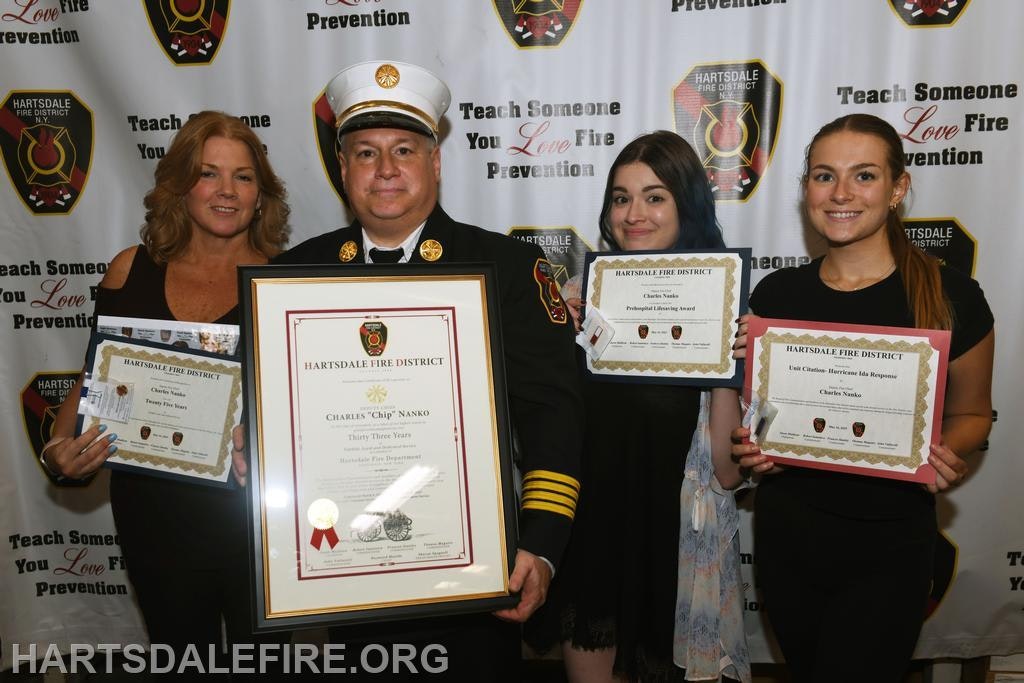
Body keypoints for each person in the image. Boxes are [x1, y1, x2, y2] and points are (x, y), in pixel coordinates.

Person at [232, 60, 584, 680]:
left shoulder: (506, 269)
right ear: (343, 170)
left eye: (404, 150)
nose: (386, 169)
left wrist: (543, 545)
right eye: (366, 153)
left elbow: (554, 413)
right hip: (340, 577)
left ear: (436, 162)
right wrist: (242, 437)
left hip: (474, 577)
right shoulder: (296, 278)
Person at [731, 113, 995, 683]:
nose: (841, 194)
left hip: (889, 547)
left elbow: (973, 415)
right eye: (824, 176)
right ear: (806, 189)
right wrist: (752, 445)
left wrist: (945, 452)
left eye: (864, 176)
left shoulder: (951, 295)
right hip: (787, 540)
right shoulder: (776, 295)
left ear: (898, 188)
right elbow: (760, 418)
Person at [41, 111, 291, 667]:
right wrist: (61, 448)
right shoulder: (130, 271)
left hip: (258, 523)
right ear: (180, 186)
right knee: (180, 660)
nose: (227, 191)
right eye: (209, 173)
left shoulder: (286, 285)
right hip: (155, 518)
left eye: (244, 176)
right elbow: (96, 375)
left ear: (261, 193)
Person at [525, 131, 749, 683]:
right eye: (621, 198)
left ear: (687, 204)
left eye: (654, 196)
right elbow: (542, 428)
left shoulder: (726, 306)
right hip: (591, 540)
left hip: (675, 548)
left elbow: (725, 471)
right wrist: (559, 339)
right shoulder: (576, 300)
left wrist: (727, 368)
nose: (633, 214)